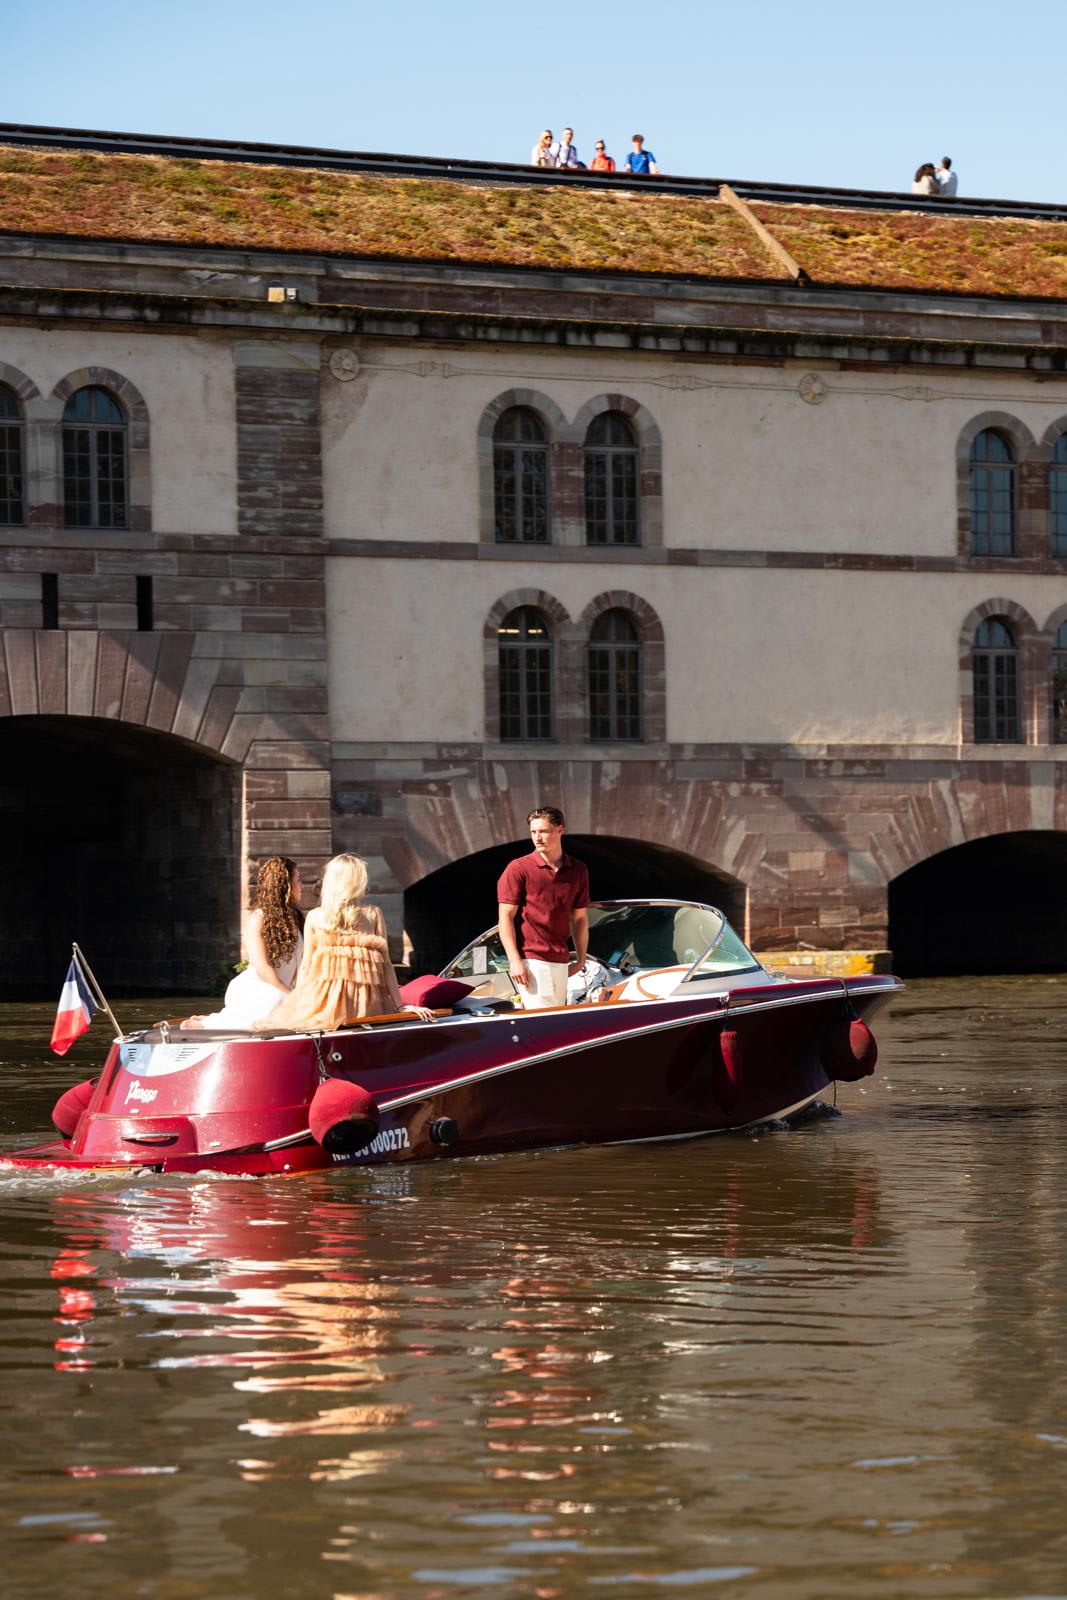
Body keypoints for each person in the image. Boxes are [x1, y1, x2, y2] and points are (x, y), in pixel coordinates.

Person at [258, 853, 434, 1032]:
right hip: (367, 1002)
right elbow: (386, 965)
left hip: (324, 1003)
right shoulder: (373, 914)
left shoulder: (315, 916)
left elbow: (306, 967)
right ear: (357, 882)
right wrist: (399, 1007)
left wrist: (298, 1004)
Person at [184, 857, 305, 1030]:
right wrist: (289, 995)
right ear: (284, 886)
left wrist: (301, 995)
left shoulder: (297, 921)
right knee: (277, 1001)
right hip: (257, 990)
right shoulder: (257, 920)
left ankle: (226, 1017)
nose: (302, 886)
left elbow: (301, 967)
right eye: (298, 880)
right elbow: (263, 969)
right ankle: (207, 1024)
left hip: (283, 990)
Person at [497, 807, 589, 1011]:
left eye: (543, 831)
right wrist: (515, 961)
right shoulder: (518, 868)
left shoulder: (578, 870)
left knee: (556, 1021)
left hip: (561, 960)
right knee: (543, 1024)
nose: (537, 838)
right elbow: (505, 917)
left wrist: (581, 959)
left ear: (560, 830)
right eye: (533, 832)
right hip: (531, 961)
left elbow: (580, 918)